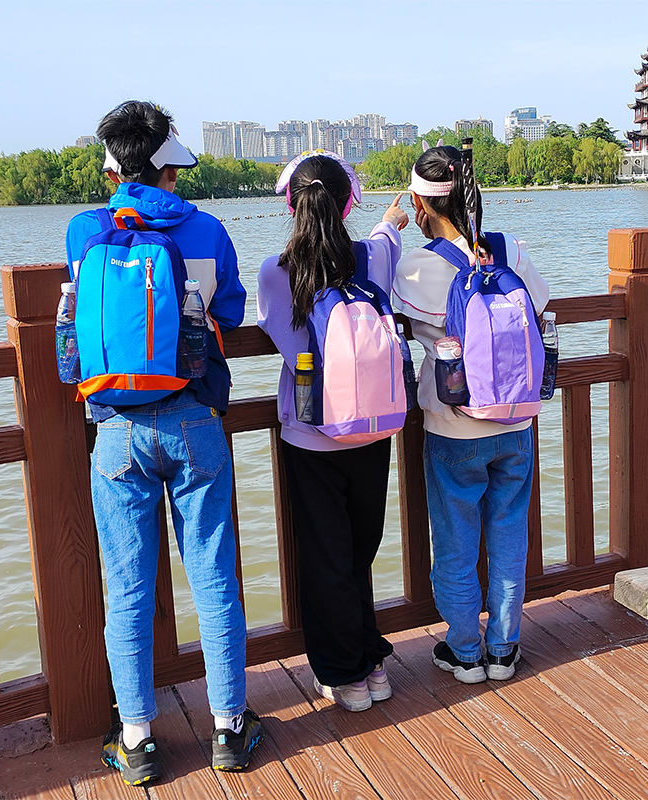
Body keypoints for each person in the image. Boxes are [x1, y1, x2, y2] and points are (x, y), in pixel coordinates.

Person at [65, 101, 261, 784]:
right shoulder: (206, 229)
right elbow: (230, 313)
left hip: (116, 426)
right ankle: (231, 728)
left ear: (113, 164)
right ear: (170, 161)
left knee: (127, 588)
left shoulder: (86, 229)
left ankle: (139, 738)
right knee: (212, 577)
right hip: (194, 418)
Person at [257, 152, 408, 712]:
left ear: (292, 204)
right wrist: (391, 218)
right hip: (372, 428)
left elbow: (280, 333)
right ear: (347, 203)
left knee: (327, 558)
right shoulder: (372, 259)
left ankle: (346, 675)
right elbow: (387, 235)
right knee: (360, 552)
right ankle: (371, 666)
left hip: (311, 434)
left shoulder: (277, 271)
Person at [392, 145, 549, 684]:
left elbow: (395, 314)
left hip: (453, 427)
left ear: (420, 203)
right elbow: (541, 303)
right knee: (509, 535)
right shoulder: (510, 251)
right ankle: (503, 649)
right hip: (516, 421)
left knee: (455, 539)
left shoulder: (416, 267)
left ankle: (464, 650)